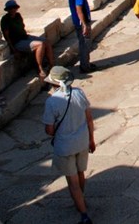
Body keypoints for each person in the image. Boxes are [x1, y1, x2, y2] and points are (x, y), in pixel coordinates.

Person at [43, 66, 96, 224]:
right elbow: (89, 119)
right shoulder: (79, 93)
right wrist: (91, 140)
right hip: (82, 141)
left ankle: (84, 215)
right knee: (81, 173)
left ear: (55, 84)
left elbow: (49, 130)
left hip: (65, 145)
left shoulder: (52, 102)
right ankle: (81, 199)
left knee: (72, 182)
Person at [0, 0, 55, 80]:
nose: (12, 10)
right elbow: (7, 36)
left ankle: (51, 65)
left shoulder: (18, 16)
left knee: (46, 41)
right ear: (7, 10)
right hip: (17, 42)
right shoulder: (5, 20)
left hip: (25, 37)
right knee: (40, 45)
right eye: (10, 8)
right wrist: (14, 50)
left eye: (14, 8)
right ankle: (40, 68)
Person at [68, 0, 97, 74]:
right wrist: (84, 24)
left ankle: (86, 64)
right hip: (82, 23)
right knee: (85, 45)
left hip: (77, 22)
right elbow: (79, 9)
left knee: (83, 44)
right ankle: (85, 67)